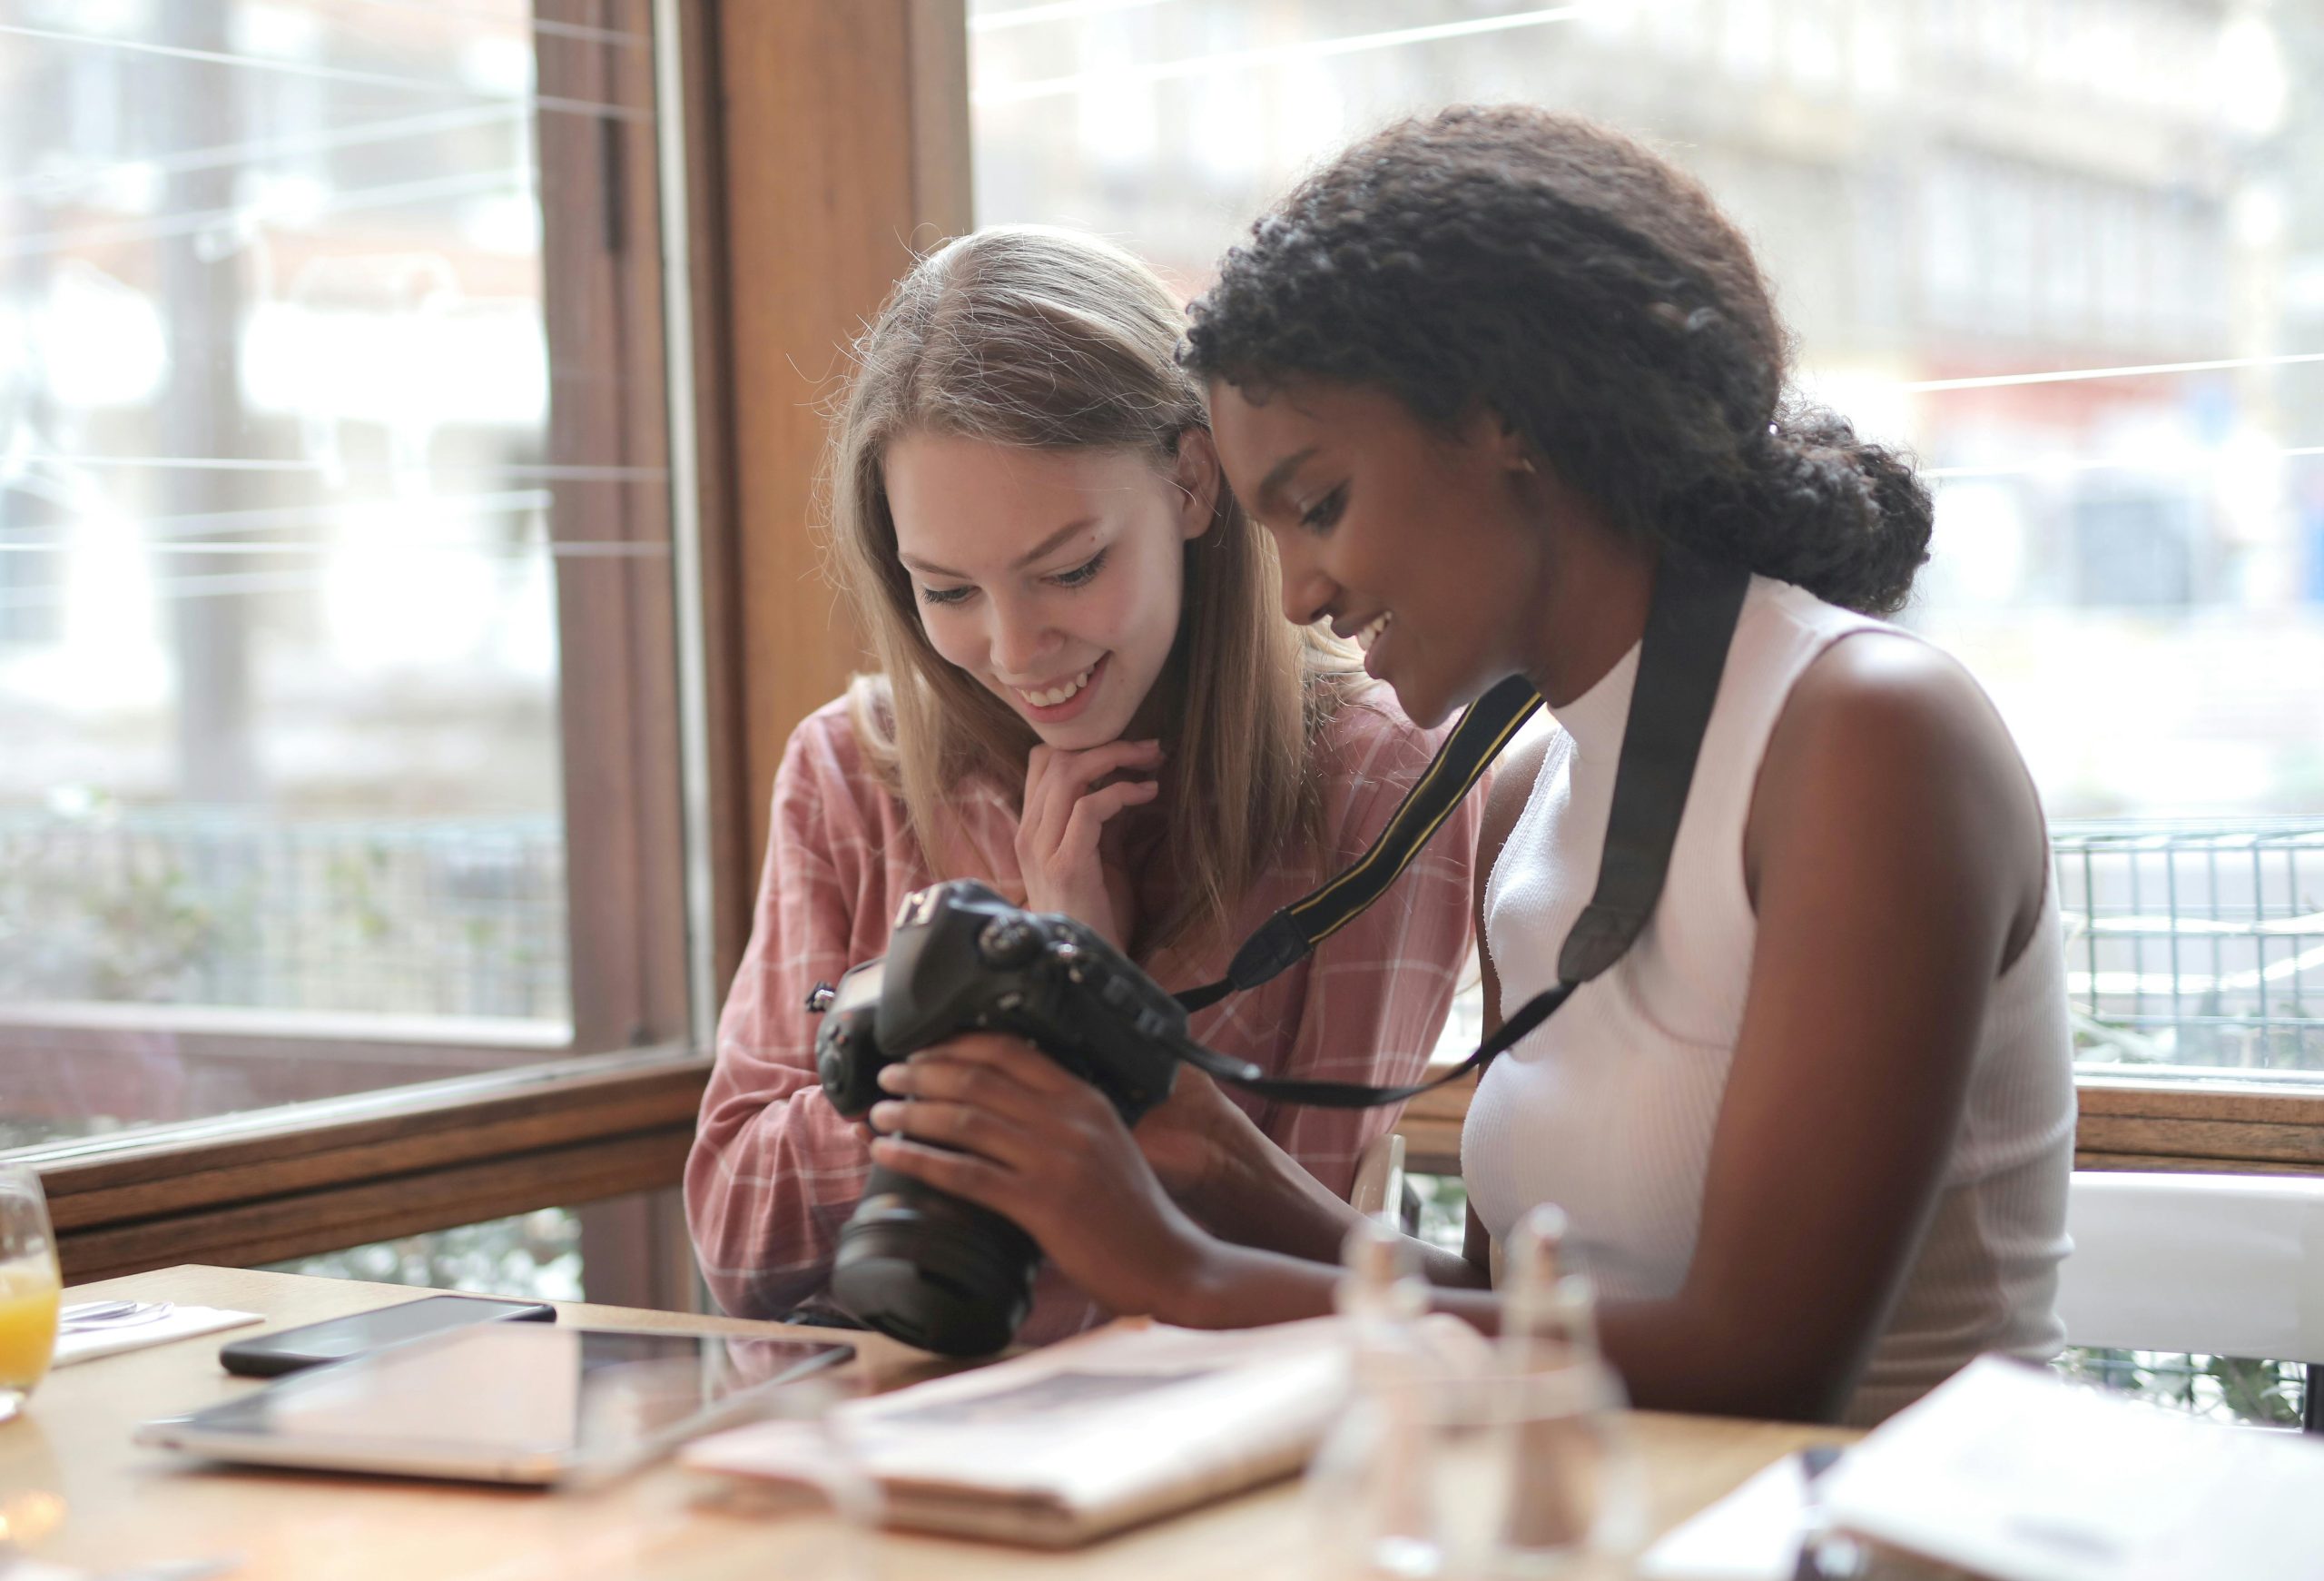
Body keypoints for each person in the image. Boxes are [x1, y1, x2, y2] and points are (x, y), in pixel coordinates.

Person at [859, 109, 2075, 1426]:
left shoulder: (1867, 733)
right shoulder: (1527, 801)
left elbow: (1760, 1364)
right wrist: (1211, 1158)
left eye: (1319, 506)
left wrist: (1182, 1271)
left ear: (1510, 424)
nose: (1299, 594)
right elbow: (1519, 1320)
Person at [684, 226, 1481, 1345]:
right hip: (867, 1437)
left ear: (1193, 483)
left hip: (1198, 1450)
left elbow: (1283, 1251)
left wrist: (1097, 1008)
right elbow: (735, 1244)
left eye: (1068, 570)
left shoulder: (1375, 783)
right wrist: (988, 1022)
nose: (1016, 650)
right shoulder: (855, 769)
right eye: (948, 589)